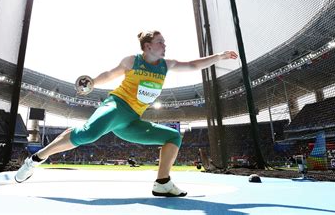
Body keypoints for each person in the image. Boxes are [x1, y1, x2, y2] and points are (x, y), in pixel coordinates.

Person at [15, 30, 238, 197]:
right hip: (116, 106)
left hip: (131, 121)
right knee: (88, 135)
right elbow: (111, 74)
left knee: (173, 136)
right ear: (148, 46)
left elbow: (192, 65)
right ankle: (35, 159)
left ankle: (162, 182)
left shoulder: (165, 65)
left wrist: (218, 56)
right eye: (160, 42)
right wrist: (93, 82)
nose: (165, 45)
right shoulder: (133, 61)